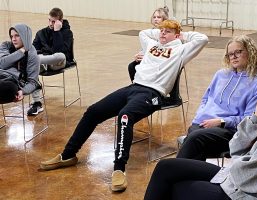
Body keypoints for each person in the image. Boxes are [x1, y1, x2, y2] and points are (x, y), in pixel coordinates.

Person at [40, 20, 208, 192]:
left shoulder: (181, 50)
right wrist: (161, 31)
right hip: (133, 87)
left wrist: (181, 34)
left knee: (125, 116)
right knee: (93, 111)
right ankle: (68, 155)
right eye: (161, 31)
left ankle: (119, 168)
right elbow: (143, 33)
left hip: (153, 94)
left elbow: (202, 39)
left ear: (177, 35)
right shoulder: (151, 44)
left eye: (167, 31)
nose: (162, 33)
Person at [144, 66, 257, 200]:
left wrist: (236, 161)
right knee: (167, 167)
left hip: (247, 193)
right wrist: (256, 119)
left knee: (175, 187)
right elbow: (236, 148)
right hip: (237, 178)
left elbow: (245, 175)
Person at [176, 35, 257, 161]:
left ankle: (174, 172)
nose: (233, 56)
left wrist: (222, 121)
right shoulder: (221, 75)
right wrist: (198, 117)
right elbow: (206, 99)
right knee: (197, 142)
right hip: (203, 124)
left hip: (230, 130)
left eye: (238, 52)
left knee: (195, 139)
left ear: (250, 52)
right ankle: (185, 174)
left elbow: (250, 120)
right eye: (230, 54)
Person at [27, 7, 73, 116]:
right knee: (33, 62)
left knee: (60, 55)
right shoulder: (41, 33)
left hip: (59, 63)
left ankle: (37, 60)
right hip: (42, 63)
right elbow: (33, 50)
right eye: (49, 20)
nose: (51, 23)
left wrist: (57, 32)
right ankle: (37, 103)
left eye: (54, 21)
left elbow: (61, 51)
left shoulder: (67, 33)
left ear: (60, 21)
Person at [0, 23, 40, 104]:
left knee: (10, 89)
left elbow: (33, 82)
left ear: (25, 36)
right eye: (12, 36)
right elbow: (2, 64)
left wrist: (23, 91)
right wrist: (21, 51)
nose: (13, 39)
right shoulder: (6, 45)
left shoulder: (32, 55)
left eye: (17, 35)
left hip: (12, 82)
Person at [128, 6, 169, 81]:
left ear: (164, 19)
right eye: (154, 17)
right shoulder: (150, 32)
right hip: (149, 58)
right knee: (132, 66)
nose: (156, 19)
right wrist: (138, 55)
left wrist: (148, 57)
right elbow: (145, 48)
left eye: (159, 17)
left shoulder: (167, 33)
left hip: (160, 61)